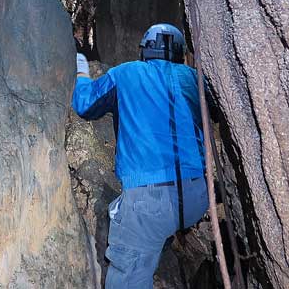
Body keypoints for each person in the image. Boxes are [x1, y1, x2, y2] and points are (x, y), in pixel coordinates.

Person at [72, 23, 208, 289]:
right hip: (196, 196)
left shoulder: (127, 74)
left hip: (150, 201)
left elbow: (85, 105)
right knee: (160, 228)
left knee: (128, 277)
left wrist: (81, 70)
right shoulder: (194, 78)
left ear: (145, 50)